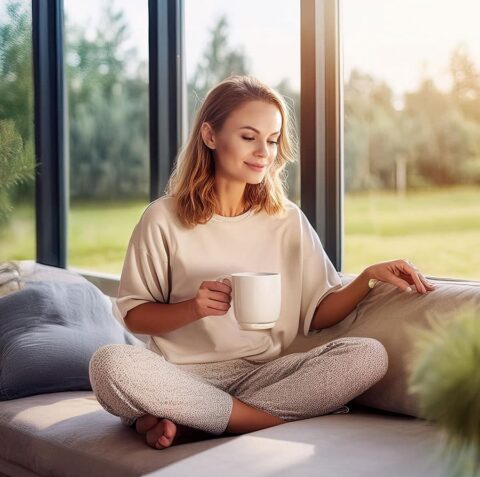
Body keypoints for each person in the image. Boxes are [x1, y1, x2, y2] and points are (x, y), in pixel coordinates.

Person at [89, 75, 435, 450]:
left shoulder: (287, 220)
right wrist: (193, 308)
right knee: (109, 365)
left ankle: (197, 422)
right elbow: (135, 315)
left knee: (368, 355)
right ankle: (249, 419)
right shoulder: (162, 218)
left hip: (265, 374)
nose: (263, 152)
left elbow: (316, 313)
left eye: (272, 140)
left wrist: (368, 277)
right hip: (178, 376)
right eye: (249, 137)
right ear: (209, 135)